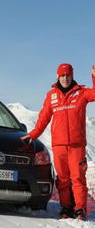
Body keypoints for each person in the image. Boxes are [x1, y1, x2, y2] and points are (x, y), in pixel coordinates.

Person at [20, 63, 95, 220]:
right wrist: (33, 135)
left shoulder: (81, 93)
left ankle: (80, 209)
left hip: (77, 145)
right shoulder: (51, 95)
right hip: (59, 145)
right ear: (58, 77)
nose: (65, 78)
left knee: (78, 178)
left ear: (72, 76)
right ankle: (66, 208)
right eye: (62, 75)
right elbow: (44, 118)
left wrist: (94, 77)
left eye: (68, 75)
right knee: (62, 179)